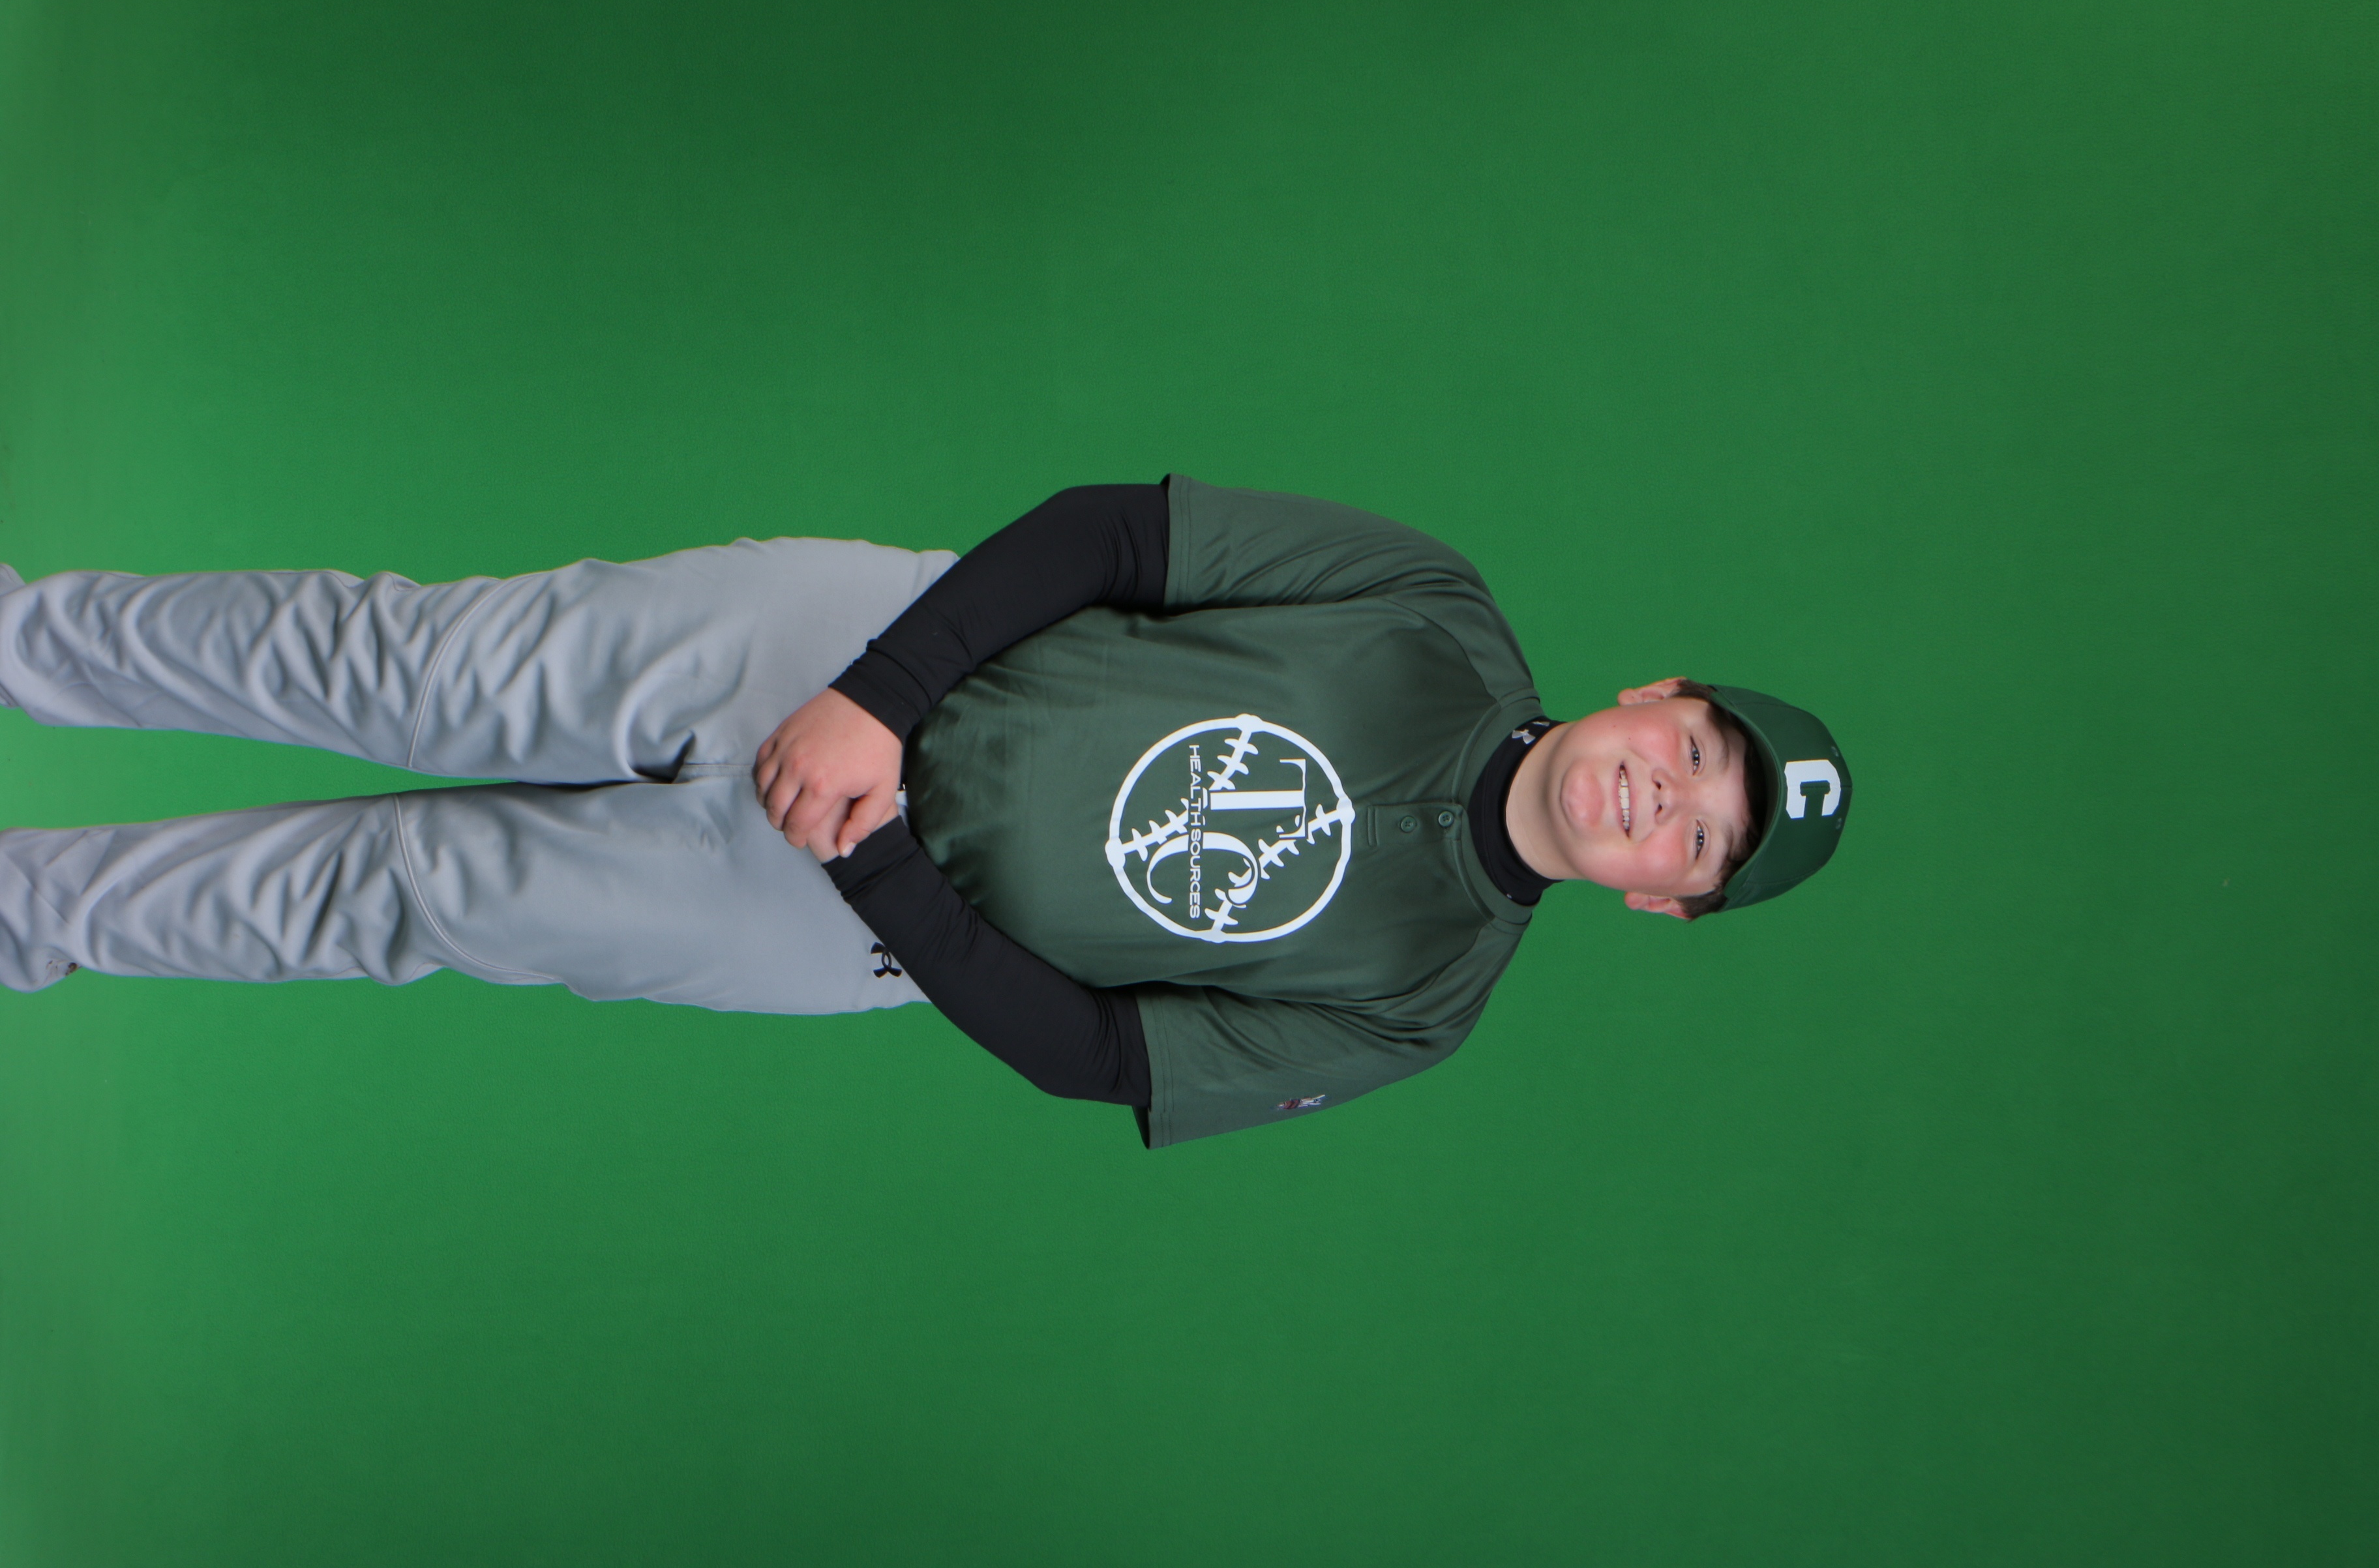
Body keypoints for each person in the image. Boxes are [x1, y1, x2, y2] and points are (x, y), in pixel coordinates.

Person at [0, 477, 1852, 1146]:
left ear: (1662, 902)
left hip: (839, 915)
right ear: (1656, 698)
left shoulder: (1418, 1003)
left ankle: (28, 915)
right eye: (1697, 755)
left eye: (1698, 841)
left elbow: (1100, 1058)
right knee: (394, 665)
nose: (1664, 801)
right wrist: (879, 700)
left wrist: (876, 860)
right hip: (849, 643)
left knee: (410, 895)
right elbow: (1116, 533)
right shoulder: (1433, 609)